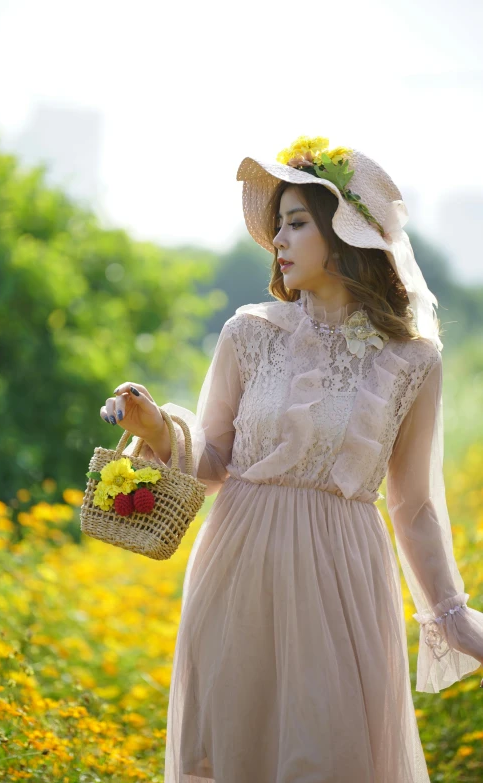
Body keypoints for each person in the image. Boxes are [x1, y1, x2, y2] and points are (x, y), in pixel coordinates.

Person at [101, 136, 483, 782]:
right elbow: (215, 459)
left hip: (344, 579)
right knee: (227, 755)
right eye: (277, 224)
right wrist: (157, 427)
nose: (278, 238)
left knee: (330, 758)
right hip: (237, 568)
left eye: (297, 222)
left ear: (346, 232)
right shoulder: (248, 333)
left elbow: (413, 503)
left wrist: (450, 616)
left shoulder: (412, 359)